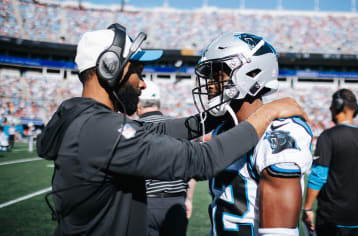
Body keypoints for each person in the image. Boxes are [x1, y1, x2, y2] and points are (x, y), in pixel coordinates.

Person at [36, 23, 309, 236]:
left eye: (217, 74)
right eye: (138, 72)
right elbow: (201, 160)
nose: (142, 84)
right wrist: (267, 112)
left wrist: (216, 115)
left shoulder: (84, 121)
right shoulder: (101, 130)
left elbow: (157, 129)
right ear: (110, 67)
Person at [192, 32, 313, 236]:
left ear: (251, 74)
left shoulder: (279, 133)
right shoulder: (223, 129)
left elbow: (279, 233)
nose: (210, 85)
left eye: (217, 75)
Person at [302, 88, 358, 236]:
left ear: (336, 107)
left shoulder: (328, 136)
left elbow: (319, 176)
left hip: (332, 219)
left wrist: (307, 208)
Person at [137, 80, 196, 236]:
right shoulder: (179, 126)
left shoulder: (134, 128)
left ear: (138, 104)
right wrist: (188, 199)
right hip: (176, 202)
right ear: (158, 103)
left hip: (144, 202)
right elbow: (191, 168)